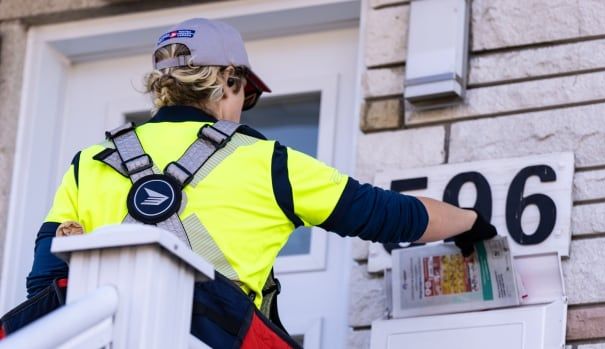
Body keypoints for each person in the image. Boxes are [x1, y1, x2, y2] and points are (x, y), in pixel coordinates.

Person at [2, 18, 497, 347]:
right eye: (246, 94)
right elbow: (388, 216)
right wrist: (471, 222)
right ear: (228, 82)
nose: (242, 108)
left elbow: (44, 284)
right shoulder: (266, 161)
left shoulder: (90, 162)